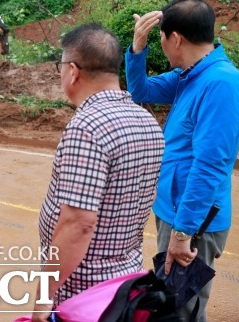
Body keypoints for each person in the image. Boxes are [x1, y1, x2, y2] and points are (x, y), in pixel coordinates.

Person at [126, 0, 239, 321]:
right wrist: (138, 49)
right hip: (176, 212)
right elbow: (141, 92)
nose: (162, 45)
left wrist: (183, 233)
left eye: (161, 39)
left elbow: (210, 165)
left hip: (192, 223)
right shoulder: (189, 76)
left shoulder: (220, 84)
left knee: (182, 312)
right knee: (169, 305)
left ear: (176, 39)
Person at [32, 24, 165, 321]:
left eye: (61, 65)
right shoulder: (146, 120)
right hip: (125, 283)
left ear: (73, 71)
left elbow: (78, 223)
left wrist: (44, 296)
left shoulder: (88, 127)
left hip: (83, 294)